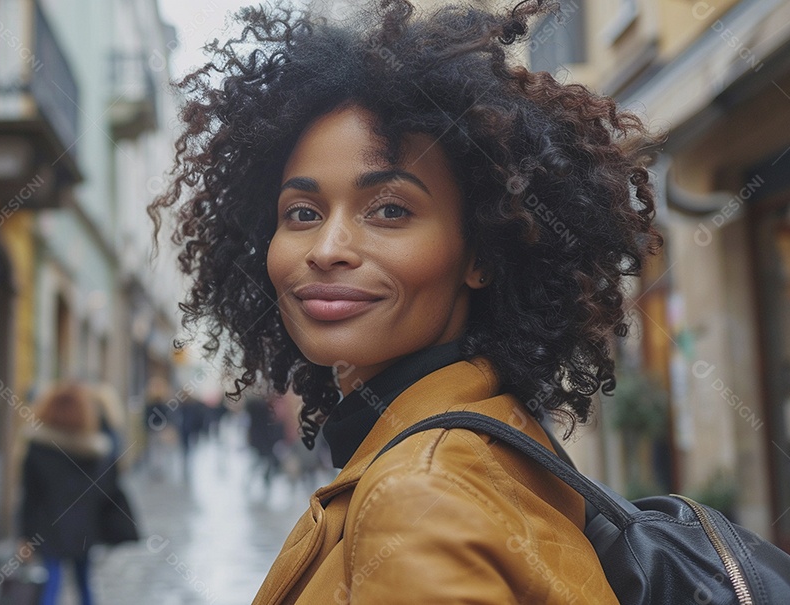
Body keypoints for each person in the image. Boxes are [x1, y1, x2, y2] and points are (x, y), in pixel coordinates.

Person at [149, 0, 662, 602]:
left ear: (481, 254)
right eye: (303, 213)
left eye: (390, 210)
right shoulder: (493, 433)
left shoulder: (419, 497)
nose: (328, 249)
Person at [20, 384, 112, 605]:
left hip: (49, 528)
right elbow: (104, 492)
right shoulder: (93, 451)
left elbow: (29, 497)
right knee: (85, 584)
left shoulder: (38, 449)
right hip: (84, 528)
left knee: (51, 583)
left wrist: (25, 536)